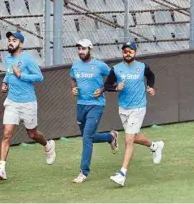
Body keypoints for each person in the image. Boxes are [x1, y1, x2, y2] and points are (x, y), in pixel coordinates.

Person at [0, 31, 56, 180]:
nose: (10, 42)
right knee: (6, 134)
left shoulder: (28, 59)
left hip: (28, 102)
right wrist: (5, 83)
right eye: (9, 39)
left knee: (32, 134)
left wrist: (22, 75)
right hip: (12, 102)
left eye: (14, 40)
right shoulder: (8, 59)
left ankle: (48, 145)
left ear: (21, 44)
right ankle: (1, 169)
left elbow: (39, 77)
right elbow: (9, 73)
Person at [104, 41, 165, 187]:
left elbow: (150, 76)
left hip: (138, 107)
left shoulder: (142, 67)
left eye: (130, 50)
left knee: (129, 140)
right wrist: (116, 88)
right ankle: (155, 146)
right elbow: (107, 85)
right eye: (125, 51)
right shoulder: (116, 69)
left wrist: (150, 87)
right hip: (123, 108)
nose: (127, 53)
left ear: (135, 52)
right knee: (134, 136)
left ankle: (122, 174)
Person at [70, 39, 119, 183]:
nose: (81, 52)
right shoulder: (75, 65)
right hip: (81, 105)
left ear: (90, 49)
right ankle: (111, 137)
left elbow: (113, 77)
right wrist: (73, 88)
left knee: (86, 138)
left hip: (96, 105)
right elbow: (73, 78)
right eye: (79, 49)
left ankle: (83, 172)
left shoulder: (99, 65)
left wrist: (103, 89)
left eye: (83, 49)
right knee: (88, 136)